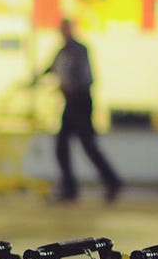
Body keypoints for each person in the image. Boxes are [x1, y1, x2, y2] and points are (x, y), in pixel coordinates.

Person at [31, 18, 122, 203]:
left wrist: (71, 85)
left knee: (87, 145)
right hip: (70, 103)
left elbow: (85, 76)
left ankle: (111, 182)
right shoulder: (62, 51)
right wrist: (35, 80)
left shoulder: (80, 50)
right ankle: (71, 187)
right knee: (62, 145)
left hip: (80, 101)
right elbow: (51, 68)